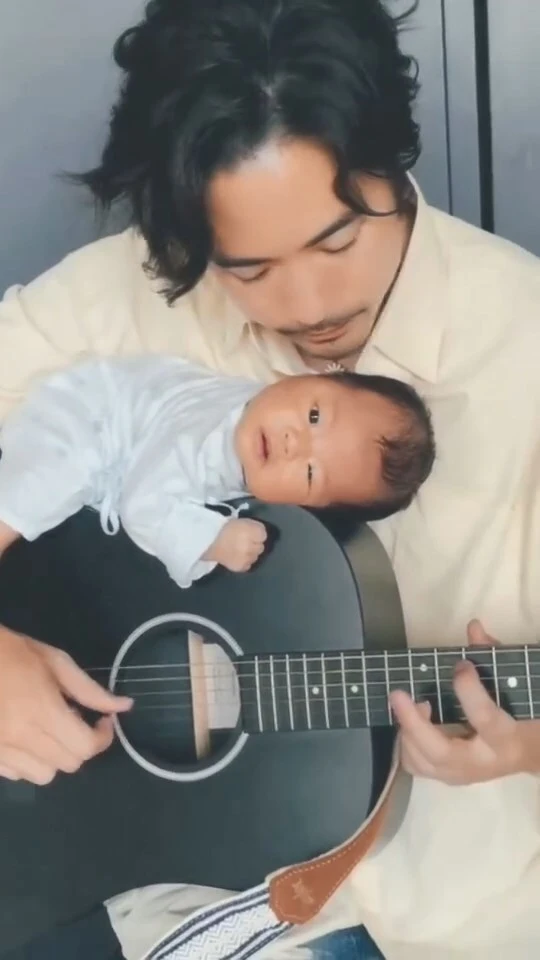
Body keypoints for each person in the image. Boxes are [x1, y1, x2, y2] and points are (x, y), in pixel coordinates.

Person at [1, 0, 540, 958]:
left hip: (463, 923)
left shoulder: (523, 339)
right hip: (186, 903)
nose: (309, 303)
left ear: (392, 162)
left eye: (337, 241)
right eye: (248, 269)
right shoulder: (136, 287)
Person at [0, 357, 435, 584]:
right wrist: (212, 540)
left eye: (309, 474)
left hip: (122, 429)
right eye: (314, 416)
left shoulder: (258, 411)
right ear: (315, 374)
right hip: (87, 415)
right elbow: (143, 507)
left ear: (305, 508)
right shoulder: (208, 445)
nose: (293, 443)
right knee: (49, 486)